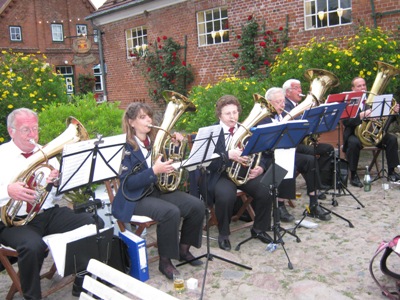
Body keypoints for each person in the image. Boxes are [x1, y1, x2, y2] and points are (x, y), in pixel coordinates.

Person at [0, 108, 104, 300]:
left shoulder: (46, 155)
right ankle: (32, 296)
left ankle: (82, 279)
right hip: (13, 222)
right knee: (32, 247)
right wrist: (7, 191)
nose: (33, 135)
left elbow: (55, 198)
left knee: (94, 222)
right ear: (11, 131)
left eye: (35, 128)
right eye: (26, 130)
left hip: (46, 214)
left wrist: (55, 184)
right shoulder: (1, 155)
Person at [112, 102, 204, 280]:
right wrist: (154, 171)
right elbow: (128, 184)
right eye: (142, 117)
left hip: (158, 191)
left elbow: (172, 165)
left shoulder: (156, 141)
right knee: (170, 212)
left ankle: (183, 249)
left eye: (149, 116)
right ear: (131, 122)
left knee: (197, 205)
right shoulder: (125, 147)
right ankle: (165, 262)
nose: (148, 120)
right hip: (135, 197)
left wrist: (177, 146)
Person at [198, 95, 273, 251]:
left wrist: (261, 168)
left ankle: (259, 229)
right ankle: (223, 234)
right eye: (228, 113)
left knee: (266, 188)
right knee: (225, 196)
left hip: (244, 172)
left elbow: (263, 153)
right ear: (220, 115)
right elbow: (205, 162)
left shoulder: (246, 130)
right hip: (221, 174)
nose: (233, 117)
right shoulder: (211, 132)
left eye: (235, 112)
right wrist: (227, 155)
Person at [259, 87, 331, 221]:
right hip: (269, 156)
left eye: (283, 101)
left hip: (285, 151)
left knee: (310, 160)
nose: (282, 104)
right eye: (278, 102)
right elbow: (265, 146)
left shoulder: (282, 115)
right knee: (287, 165)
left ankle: (313, 203)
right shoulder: (263, 119)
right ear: (269, 102)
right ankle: (279, 206)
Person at [343, 77, 400, 187]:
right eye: (359, 86)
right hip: (354, 134)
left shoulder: (374, 100)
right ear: (353, 88)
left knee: (392, 139)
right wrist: (362, 115)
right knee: (353, 143)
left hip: (371, 135)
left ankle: (392, 172)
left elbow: (385, 121)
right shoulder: (349, 102)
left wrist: (393, 112)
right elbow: (346, 122)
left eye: (364, 85)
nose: (363, 88)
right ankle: (353, 174)